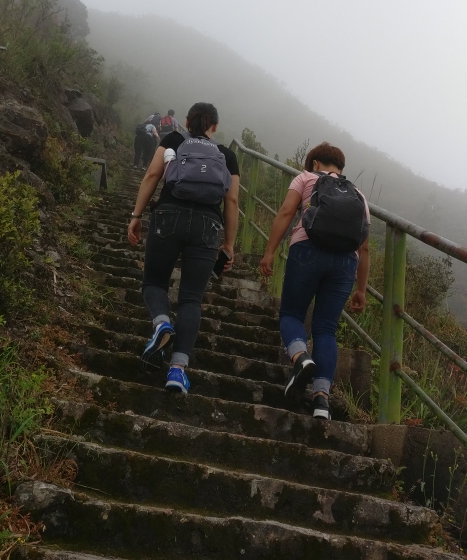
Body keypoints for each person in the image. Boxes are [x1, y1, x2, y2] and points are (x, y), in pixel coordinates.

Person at [127, 102, 240, 395]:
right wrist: (228, 243)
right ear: (214, 126)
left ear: (187, 121)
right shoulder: (226, 155)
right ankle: (177, 370)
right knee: (191, 299)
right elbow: (232, 201)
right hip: (208, 225)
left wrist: (137, 216)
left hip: (168, 216)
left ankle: (162, 324)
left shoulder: (173, 140)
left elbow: (152, 176)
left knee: (154, 282)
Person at [258, 142, 370, 421]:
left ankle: (300, 357)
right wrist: (361, 289)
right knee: (325, 329)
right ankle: (321, 400)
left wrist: (270, 251)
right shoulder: (358, 194)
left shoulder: (306, 178)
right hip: (346, 263)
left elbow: (286, 212)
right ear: (340, 168)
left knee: (292, 314)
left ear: (316, 163)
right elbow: (364, 247)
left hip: (307, 251)